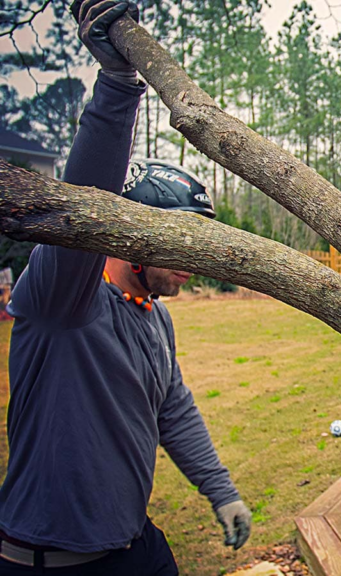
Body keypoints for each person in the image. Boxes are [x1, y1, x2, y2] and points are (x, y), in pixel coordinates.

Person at [0, 2, 250, 574]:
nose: (194, 259)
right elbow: (78, 210)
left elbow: (174, 411)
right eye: (181, 241)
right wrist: (117, 85)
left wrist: (221, 490)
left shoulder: (154, 317)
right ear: (132, 235)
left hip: (132, 543)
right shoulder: (66, 301)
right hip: (55, 560)